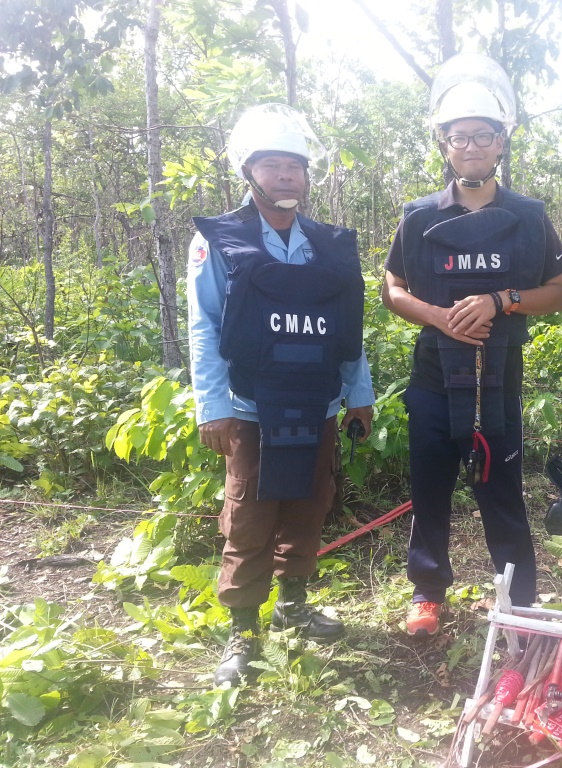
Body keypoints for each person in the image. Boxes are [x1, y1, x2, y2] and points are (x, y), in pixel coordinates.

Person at [382, 53, 562, 637]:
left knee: (500, 486)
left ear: (500, 142)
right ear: (443, 143)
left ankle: (520, 600)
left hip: (498, 375)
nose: (470, 146)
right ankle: (427, 592)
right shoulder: (418, 217)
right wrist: (439, 316)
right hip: (435, 375)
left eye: (482, 135)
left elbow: (559, 292)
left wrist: (502, 301)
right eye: (459, 136)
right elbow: (392, 288)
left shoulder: (529, 215)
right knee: (430, 485)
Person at [187, 103, 375, 685]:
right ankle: (243, 631)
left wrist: (358, 394)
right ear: (250, 172)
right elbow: (205, 323)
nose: (285, 175)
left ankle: (294, 602)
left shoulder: (330, 245)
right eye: (272, 164)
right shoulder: (220, 240)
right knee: (249, 512)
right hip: (249, 406)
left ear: (307, 174)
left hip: (317, 400)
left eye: (294, 165)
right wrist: (212, 407)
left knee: (309, 502)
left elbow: (349, 326)